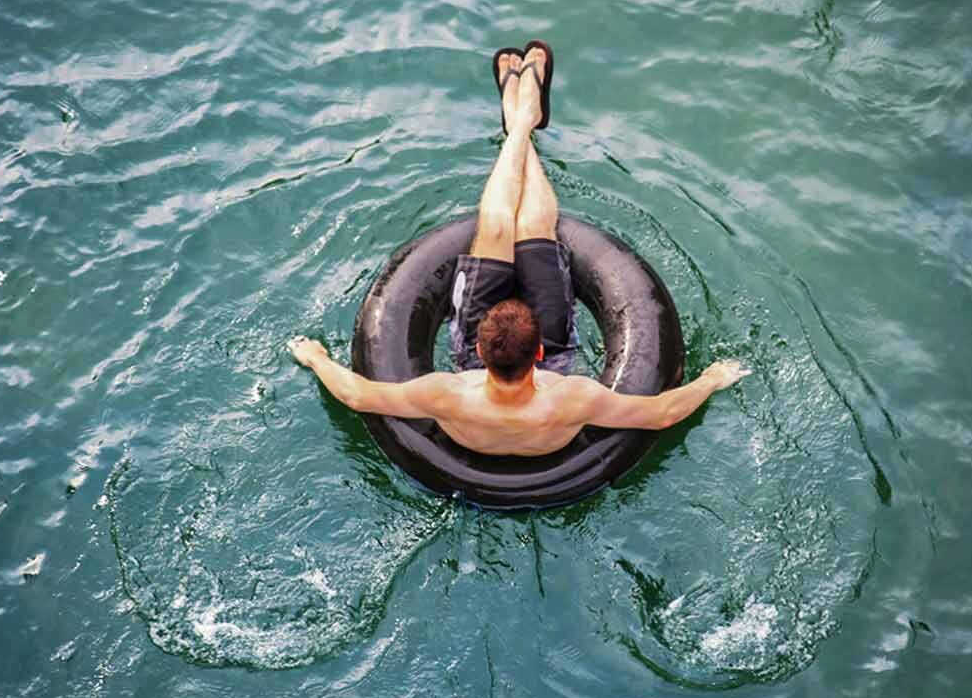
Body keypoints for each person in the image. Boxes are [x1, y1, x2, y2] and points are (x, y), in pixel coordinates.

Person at [288, 42, 750, 457]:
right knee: (532, 225)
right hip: (544, 395)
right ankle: (522, 120)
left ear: (480, 352)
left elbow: (356, 394)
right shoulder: (572, 399)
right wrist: (711, 379)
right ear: (540, 357)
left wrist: (316, 358)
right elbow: (664, 412)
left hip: (479, 395)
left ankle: (520, 122)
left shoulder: (447, 393)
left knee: (495, 226)